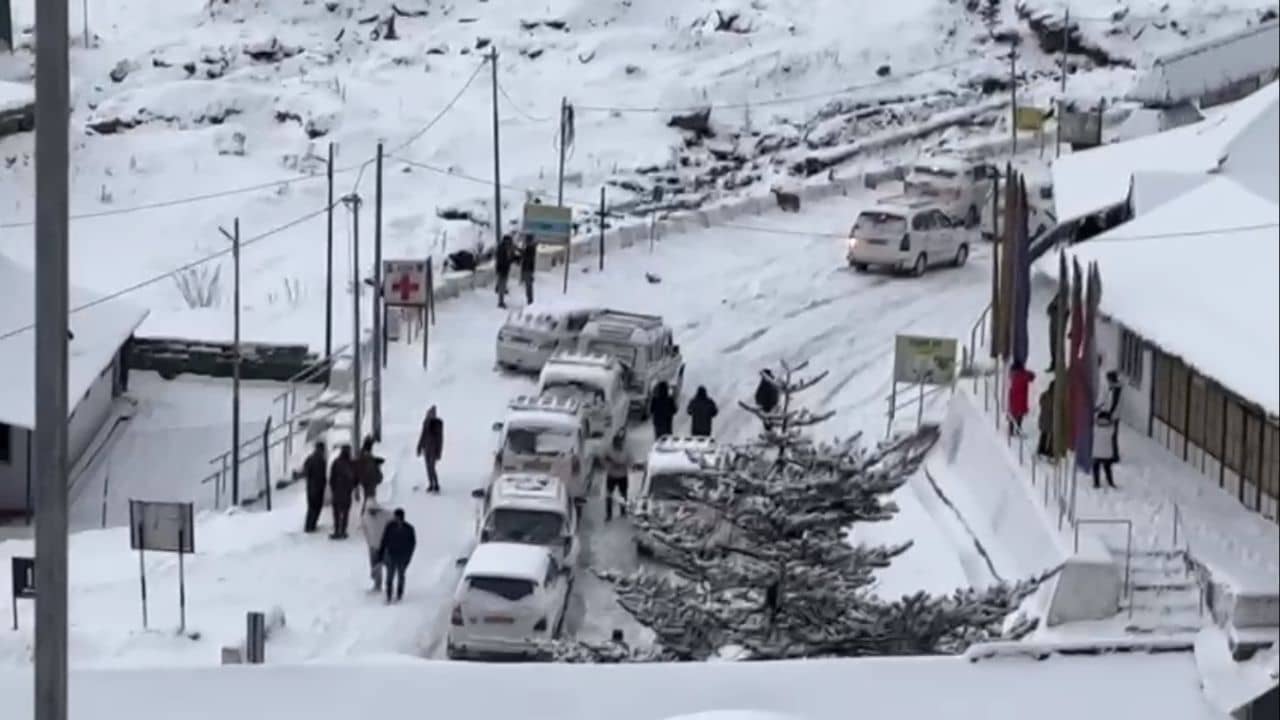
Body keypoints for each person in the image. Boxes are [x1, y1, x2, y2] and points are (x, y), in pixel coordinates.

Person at [379, 508, 417, 603]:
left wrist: (408, 556)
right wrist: (381, 554)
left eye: (396, 516)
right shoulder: (389, 527)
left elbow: (412, 544)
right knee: (389, 576)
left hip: (402, 556)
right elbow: (384, 540)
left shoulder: (409, 529)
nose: (394, 518)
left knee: (401, 576)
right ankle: (389, 594)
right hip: (391, 555)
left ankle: (399, 594)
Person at [360, 502, 392, 592]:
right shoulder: (365, 517)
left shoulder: (386, 515)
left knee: (388, 565)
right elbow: (365, 529)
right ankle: (377, 585)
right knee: (375, 566)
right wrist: (369, 542)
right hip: (373, 546)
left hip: (385, 545)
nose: (372, 513)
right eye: (370, 511)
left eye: (374, 511)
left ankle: (390, 584)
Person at [328, 445, 358, 539]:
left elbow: (331, 478)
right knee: (345, 512)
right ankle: (343, 531)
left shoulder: (336, 462)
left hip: (337, 491)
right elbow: (356, 478)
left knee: (336, 512)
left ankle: (337, 530)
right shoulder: (351, 464)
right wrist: (352, 487)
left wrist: (333, 489)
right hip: (346, 492)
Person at [299, 442, 327, 533]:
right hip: (319, 487)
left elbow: (305, 472)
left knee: (311, 507)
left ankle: (309, 526)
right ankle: (312, 525)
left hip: (311, 487)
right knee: (317, 507)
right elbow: (323, 475)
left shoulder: (310, 459)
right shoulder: (322, 460)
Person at [417, 405, 444, 493]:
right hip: (426, 448)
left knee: (431, 467)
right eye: (429, 414)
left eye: (432, 414)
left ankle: (436, 484)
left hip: (434, 449)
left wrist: (439, 452)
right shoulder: (426, 422)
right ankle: (431, 484)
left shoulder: (438, 424)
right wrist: (419, 447)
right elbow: (422, 435)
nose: (430, 415)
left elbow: (440, 439)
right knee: (428, 468)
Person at [603, 436, 631, 522]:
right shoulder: (609, 450)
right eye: (617, 443)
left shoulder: (625, 450)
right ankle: (608, 514)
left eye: (620, 443)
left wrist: (622, 464)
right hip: (612, 475)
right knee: (609, 495)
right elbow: (604, 460)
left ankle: (623, 511)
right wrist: (610, 465)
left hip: (622, 476)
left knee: (623, 494)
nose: (619, 445)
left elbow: (629, 460)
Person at [1097, 370, 1123, 462]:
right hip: (1114, 414)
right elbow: (1106, 401)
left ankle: (1115, 456)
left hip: (1115, 416)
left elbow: (1114, 404)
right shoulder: (1113, 388)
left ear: (1112, 380)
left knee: (1113, 435)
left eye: (1108, 380)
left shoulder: (1116, 390)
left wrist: (1109, 414)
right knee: (1111, 435)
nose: (1107, 381)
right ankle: (1112, 454)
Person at [356, 435, 385, 508]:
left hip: (368, 480)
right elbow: (368, 467)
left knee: (368, 498)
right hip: (369, 480)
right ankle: (367, 512)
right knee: (369, 498)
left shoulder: (364, 454)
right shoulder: (365, 454)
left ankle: (366, 511)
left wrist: (375, 461)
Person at [1092, 414, 1119, 489]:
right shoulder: (1111, 429)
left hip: (1096, 453)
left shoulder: (1095, 428)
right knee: (1107, 468)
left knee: (1096, 467)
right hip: (1107, 454)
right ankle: (1110, 482)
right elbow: (1113, 426)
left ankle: (1096, 483)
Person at [1008, 365, 1035, 436]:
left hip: (1013, 398)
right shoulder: (1023, 375)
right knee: (1019, 415)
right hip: (1021, 399)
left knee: (1013, 414)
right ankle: (1018, 429)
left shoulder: (1013, 376)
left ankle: (1011, 430)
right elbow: (1032, 376)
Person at [495, 233, 514, 309]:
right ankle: (500, 302)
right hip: (502, 269)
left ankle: (498, 288)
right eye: (509, 242)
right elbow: (502, 259)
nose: (510, 244)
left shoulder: (506, 248)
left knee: (502, 284)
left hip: (504, 269)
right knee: (502, 285)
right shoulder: (502, 248)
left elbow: (510, 257)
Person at [1036, 381, 1055, 458]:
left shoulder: (1044, 394)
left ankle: (1041, 450)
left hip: (1044, 418)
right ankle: (1050, 452)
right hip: (1051, 419)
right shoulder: (1055, 397)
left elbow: (1041, 403)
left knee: (1044, 435)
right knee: (1052, 436)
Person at [519, 234, 537, 305]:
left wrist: (521, 252)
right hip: (528, 268)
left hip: (528, 269)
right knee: (528, 286)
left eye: (527, 240)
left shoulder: (530, 248)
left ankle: (530, 300)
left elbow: (527, 257)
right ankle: (529, 299)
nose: (526, 242)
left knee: (528, 286)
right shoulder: (530, 248)